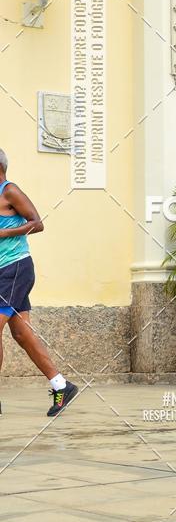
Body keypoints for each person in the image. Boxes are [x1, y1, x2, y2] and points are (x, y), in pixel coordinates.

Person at [0, 149, 78, 415]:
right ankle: (61, 385)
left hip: (15, 268)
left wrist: (5, 232)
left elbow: (37, 223)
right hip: (4, 273)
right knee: (21, 334)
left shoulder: (10, 191)